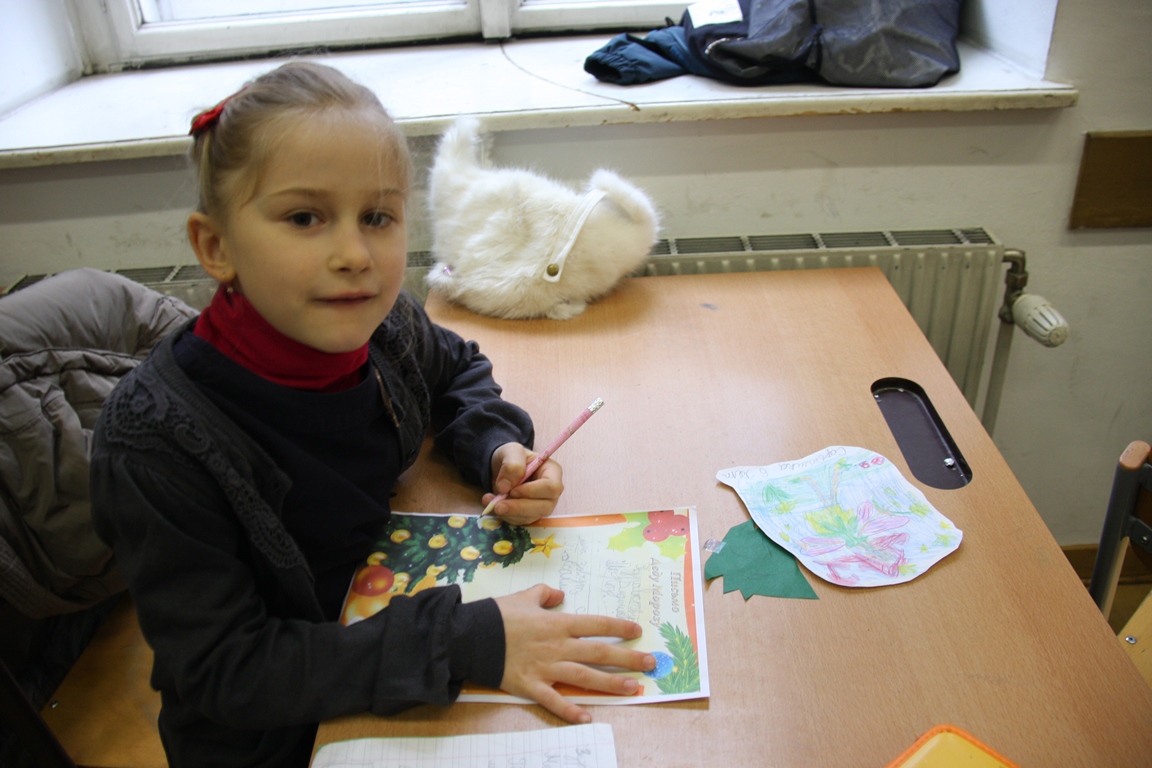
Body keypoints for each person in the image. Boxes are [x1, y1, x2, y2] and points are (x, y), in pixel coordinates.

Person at [90, 60, 655, 768]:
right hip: (285, 733)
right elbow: (228, 671)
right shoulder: (154, 444)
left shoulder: (385, 327)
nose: (355, 255)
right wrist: (464, 641)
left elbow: (459, 368)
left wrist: (495, 448)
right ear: (216, 246)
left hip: (393, 633)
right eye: (305, 218)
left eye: (378, 217)